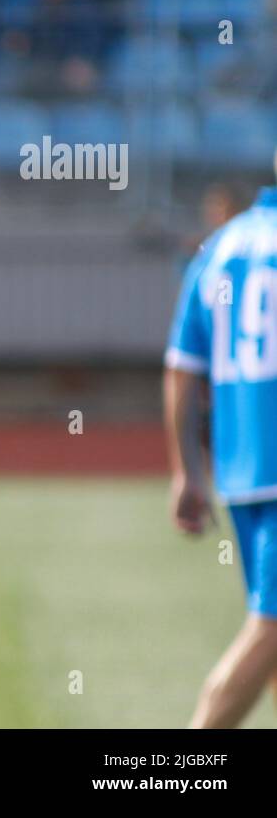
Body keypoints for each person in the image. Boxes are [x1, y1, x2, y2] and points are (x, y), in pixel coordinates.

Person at [164, 175, 277, 728]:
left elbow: (182, 368)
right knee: (271, 630)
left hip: (242, 472)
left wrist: (186, 471)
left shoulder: (222, 248)